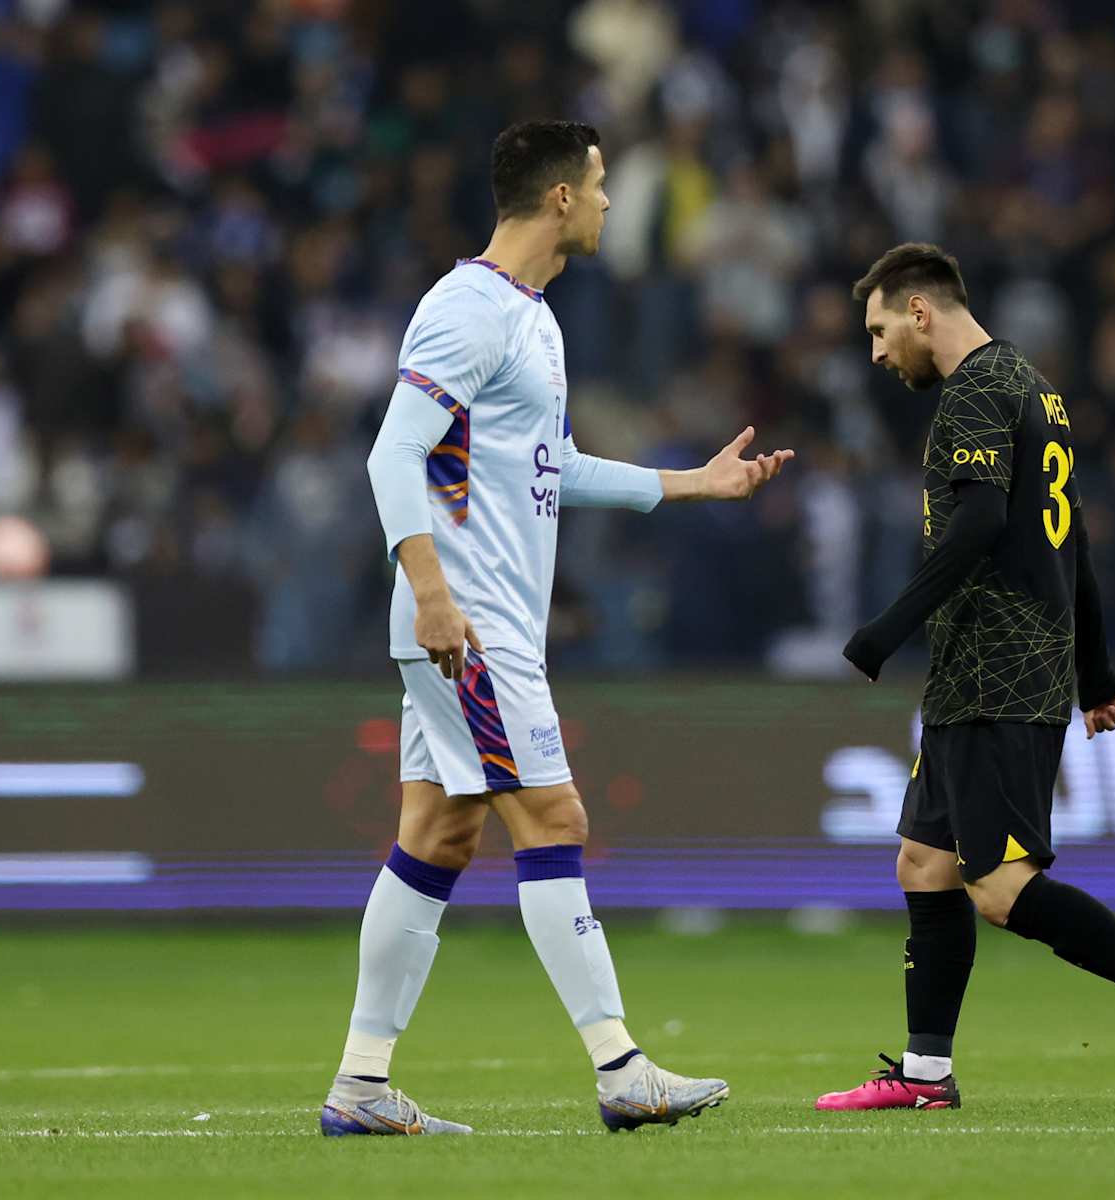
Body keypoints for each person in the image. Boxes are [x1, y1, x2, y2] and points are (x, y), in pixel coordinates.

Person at [329, 120, 794, 1137]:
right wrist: (436, 594)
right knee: (555, 822)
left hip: (473, 622)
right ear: (559, 202)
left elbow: (558, 468)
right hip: (467, 624)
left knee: (439, 833)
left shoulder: (534, 319)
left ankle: (361, 1087)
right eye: (600, 185)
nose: (611, 203)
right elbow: (388, 458)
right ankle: (621, 1068)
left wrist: (691, 484)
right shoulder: (466, 308)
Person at [815, 244, 1115, 1114]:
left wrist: (882, 632)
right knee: (922, 862)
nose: (876, 350)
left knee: (1000, 889)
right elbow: (1070, 541)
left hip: (995, 673)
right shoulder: (1035, 388)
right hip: (1004, 668)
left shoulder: (973, 391)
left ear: (920, 311)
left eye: (878, 328)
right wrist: (1094, 672)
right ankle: (925, 1075)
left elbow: (976, 527)